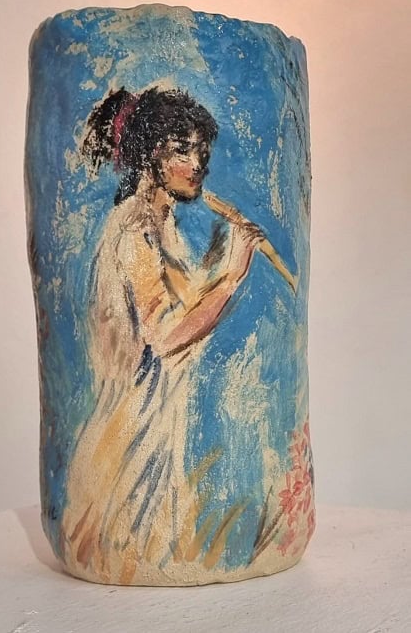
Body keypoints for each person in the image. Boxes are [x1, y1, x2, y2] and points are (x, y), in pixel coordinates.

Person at [60, 86, 265, 584]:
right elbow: (167, 335)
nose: (197, 165)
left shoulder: (162, 223)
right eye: (181, 150)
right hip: (130, 433)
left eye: (202, 152)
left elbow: (183, 307)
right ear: (149, 155)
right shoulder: (135, 231)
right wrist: (232, 276)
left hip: (156, 425)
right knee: (128, 557)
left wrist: (222, 252)